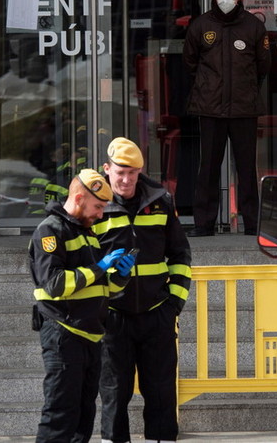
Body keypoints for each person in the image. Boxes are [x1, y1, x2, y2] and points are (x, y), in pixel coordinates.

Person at [94, 137, 192, 443]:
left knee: (162, 393)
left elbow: (180, 255)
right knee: (114, 394)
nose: (125, 179)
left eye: (132, 173)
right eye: (120, 172)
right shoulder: (97, 204)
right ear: (107, 169)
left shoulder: (162, 201)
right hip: (113, 315)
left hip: (156, 314)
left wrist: (173, 303)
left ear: (140, 171)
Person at [29, 168, 137, 443]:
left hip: (89, 336)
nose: (101, 214)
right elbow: (54, 284)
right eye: (98, 206)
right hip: (64, 334)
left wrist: (120, 276)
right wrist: (100, 266)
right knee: (59, 418)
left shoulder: (88, 233)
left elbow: (103, 289)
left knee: (82, 419)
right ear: (78, 199)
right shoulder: (50, 231)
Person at [182, 0, 271, 236]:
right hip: (210, 108)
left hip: (244, 108)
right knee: (208, 167)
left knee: (246, 167)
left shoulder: (253, 27)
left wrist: (245, 88)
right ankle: (203, 224)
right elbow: (189, 63)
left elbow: (263, 65)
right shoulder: (200, 26)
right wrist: (208, 87)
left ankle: (252, 224)